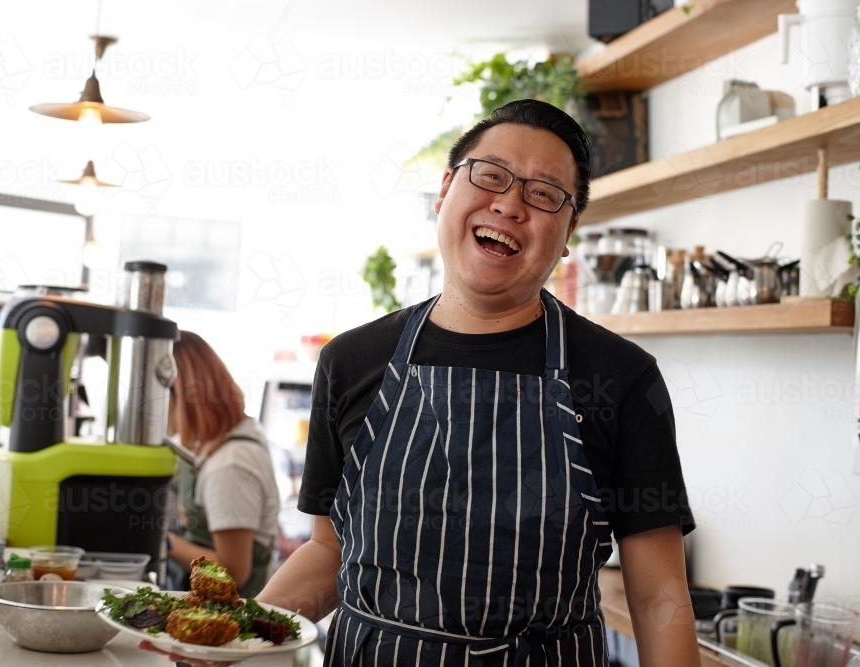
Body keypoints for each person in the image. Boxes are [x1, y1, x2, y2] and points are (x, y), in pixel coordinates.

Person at [259, 99, 699, 666]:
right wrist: (237, 635)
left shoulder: (621, 376)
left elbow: (658, 594)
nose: (510, 204)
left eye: (543, 194)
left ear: (568, 232)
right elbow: (328, 548)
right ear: (445, 191)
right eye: (490, 176)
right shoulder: (351, 360)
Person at [166, 331, 280, 599]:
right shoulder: (222, 439)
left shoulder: (229, 466)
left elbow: (233, 571)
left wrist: (166, 543)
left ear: (180, 397)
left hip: (237, 616)